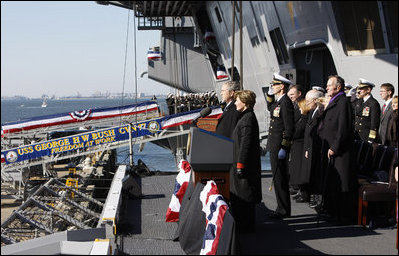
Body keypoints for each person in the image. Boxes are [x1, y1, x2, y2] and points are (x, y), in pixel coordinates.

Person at [318, 75, 358, 224]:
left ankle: (344, 216)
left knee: (342, 184)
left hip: (340, 151)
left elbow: (343, 128)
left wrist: (334, 147)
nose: (327, 87)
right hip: (331, 147)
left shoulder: (343, 103)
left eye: (329, 85)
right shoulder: (335, 100)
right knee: (334, 183)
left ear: (338, 87)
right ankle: (333, 211)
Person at [230, 90, 262, 233]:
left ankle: (245, 227)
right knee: (240, 196)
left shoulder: (248, 118)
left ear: (245, 102)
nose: (236, 102)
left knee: (244, 196)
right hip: (239, 162)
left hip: (244, 165)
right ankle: (243, 224)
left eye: (237, 100)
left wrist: (240, 165)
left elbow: (246, 144)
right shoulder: (245, 117)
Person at [265, 73, 295, 219]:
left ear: (282, 86)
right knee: (278, 177)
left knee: (280, 178)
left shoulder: (286, 103)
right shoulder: (279, 102)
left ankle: (283, 209)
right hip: (274, 144)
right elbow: (270, 108)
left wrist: (284, 146)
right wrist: (269, 94)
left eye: (274, 85)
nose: (272, 86)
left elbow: (289, 128)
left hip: (279, 146)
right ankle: (281, 207)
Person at [301, 89, 325, 208]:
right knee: (313, 172)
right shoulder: (312, 112)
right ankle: (315, 196)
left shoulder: (321, 112)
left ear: (316, 100)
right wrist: (307, 148)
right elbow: (308, 132)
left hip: (318, 147)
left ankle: (319, 198)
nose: (306, 103)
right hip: (311, 146)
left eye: (308, 100)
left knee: (317, 172)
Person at [288, 98, 310, 203]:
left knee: (301, 171)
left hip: (300, 146)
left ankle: (304, 192)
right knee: (296, 170)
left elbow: (298, 131)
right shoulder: (302, 117)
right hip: (296, 146)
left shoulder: (305, 118)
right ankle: (300, 191)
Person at [287, 84, 304, 196]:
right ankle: (293, 184)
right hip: (293, 139)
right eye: (289, 94)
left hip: (300, 139)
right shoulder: (292, 105)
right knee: (292, 163)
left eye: (293, 94)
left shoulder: (302, 105)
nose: (291, 96)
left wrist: (293, 135)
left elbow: (301, 123)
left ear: (299, 94)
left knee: (298, 164)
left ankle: (297, 186)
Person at [353, 78, 381, 143]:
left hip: (366, 137)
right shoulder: (359, 102)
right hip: (357, 136)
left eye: (361, 89)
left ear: (368, 90)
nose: (358, 91)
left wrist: (371, 140)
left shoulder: (373, 103)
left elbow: (374, 124)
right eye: (358, 89)